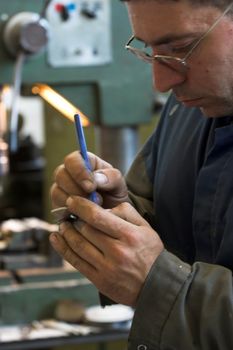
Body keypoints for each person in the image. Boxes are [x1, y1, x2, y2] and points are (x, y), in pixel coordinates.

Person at [49, 1, 233, 349]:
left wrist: (158, 285)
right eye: (149, 51)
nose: (162, 81)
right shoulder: (187, 109)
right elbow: (157, 215)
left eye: (179, 48)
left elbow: (156, 274)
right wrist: (113, 212)